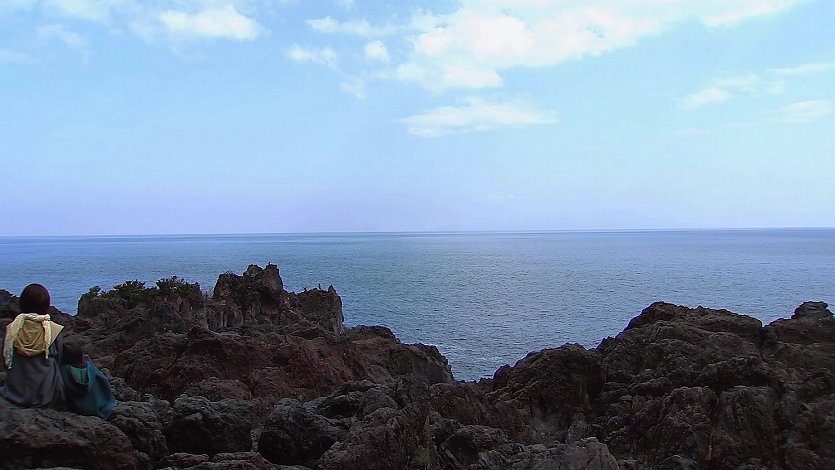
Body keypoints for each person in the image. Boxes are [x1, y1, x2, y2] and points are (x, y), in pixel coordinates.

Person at [1, 283, 65, 407]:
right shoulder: (53, 330)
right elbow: (59, 360)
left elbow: (6, 360)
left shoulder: (12, 330)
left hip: (15, 392)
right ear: (46, 305)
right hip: (46, 395)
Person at [60, 340, 116, 419]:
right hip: (98, 406)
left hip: (77, 408)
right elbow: (104, 380)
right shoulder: (90, 367)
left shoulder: (63, 370)